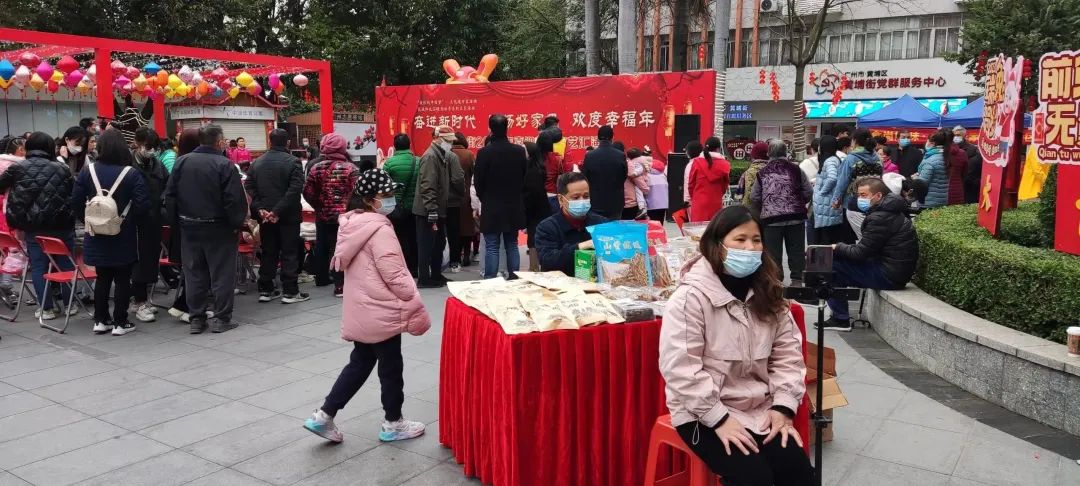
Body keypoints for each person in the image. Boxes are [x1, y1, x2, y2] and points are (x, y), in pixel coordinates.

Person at [659, 205, 811, 486]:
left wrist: (783, 407)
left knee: (798, 472)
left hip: (760, 407)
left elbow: (788, 357)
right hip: (700, 412)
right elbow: (681, 369)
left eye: (756, 240)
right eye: (740, 239)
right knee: (753, 477)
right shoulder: (690, 298)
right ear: (717, 244)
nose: (750, 248)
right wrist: (719, 419)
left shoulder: (769, 293)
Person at [303, 169, 431, 444]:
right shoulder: (380, 229)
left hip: (362, 308)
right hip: (382, 309)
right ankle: (394, 422)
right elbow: (394, 273)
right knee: (391, 368)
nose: (391, 199)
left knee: (361, 362)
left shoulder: (352, 224)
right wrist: (412, 296)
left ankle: (324, 416)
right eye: (386, 194)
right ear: (370, 199)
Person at [164, 124, 247, 334]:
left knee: (194, 274)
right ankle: (221, 318)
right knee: (222, 275)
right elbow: (234, 200)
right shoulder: (225, 165)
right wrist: (237, 224)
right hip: (219, 228)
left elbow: (170, 196)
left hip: (189, 226)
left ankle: (196, 319)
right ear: (219, 142)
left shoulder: (182, 162)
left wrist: (176, 222)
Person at [70, 129, 149, 336]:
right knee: (123, 277)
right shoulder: (131, 173)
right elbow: (143, 205)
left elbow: (75, 201)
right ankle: (120, 322)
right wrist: (127, 220)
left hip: (95, 232)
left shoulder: (88, 171)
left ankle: (100, 319)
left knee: (103, 275)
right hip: (123, 232)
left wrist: (90, 220)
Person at [821, 178, 918, 332]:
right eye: (859, 195)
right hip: (892, 269)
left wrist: (837, 247)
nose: (860, 199)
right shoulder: (888, 211)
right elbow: (867, 248)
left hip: (889, 275)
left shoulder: (881, 217)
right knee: (836, 259)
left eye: (864, 195)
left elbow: (860, 253)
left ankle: (840, 319)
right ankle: (838, 314)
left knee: (830, 266)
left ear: (878, 196)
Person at [0, 132, 77, 321]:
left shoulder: (17, 168)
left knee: (38, 267)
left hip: (33, 226)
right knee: (66, 264)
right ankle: (70, 305)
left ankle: (46, 309)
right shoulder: (63, 168)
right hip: (62, 225)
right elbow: (73, 192)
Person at [248, 129, 309, 304]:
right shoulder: (293, 162)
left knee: (269, 251)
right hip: (287, 215)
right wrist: (277, 211)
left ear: (270, 141)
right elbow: (295, 189)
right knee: (289, 252)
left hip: (265, 216)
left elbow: (250, 186)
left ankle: (266, 289)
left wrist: (261, 209)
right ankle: (290, 291)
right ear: (287, 142)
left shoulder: (257, 162)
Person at [303, 133, 361, 297]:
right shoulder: (351, 168)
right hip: (345, 217)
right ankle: (340, 284)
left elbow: (307, 192)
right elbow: (358, 193)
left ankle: (321, 278)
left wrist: (319, 206)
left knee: (322, 245)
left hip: (323, 215)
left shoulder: (315, 168)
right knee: (341, 248)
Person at [751, 140, 812, 283]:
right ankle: (797, 281)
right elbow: (809, 191)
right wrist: (798, 202)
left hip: (771, 220)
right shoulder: (796, 170)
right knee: (796, 251)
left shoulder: (762, 172)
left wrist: (767, 206)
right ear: (786, 152)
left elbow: (754, 196)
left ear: (768, 153)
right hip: (796, 217)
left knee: (773, 254)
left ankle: (777, 282)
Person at [474, 116, 527, 280]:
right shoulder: (519, 151)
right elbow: (524, 178)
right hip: (513, 204)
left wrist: (485, 198)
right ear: (507, 127)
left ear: (490, 129)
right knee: (512, 244)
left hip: (491, 204)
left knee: (492, 246)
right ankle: (514, 279)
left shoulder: (484, 153)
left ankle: (490, 280)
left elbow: (478, 182)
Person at [126, 127, 170, 323]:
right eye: (148, 146)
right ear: (137, 144)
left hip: (154, 219)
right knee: (138, 261)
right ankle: (140, 301)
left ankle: (142, 299)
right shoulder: (128, 164)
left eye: (154, 147)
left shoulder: (157, 164)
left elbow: (168, 185)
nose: (151, 151)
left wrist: (163, 203)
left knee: (150, 260)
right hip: (134, 221)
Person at [535, 172, 607, 275]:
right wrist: (580, 247)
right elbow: (547, 260)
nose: (582, 201)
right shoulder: (547, 227)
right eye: (576, 197)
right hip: (561, 282)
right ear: (561, 199)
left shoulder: (601, 223)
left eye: (586, 196)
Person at [164, 128, 201, 323]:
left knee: (191, 268)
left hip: (180, 224)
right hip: (194, 223)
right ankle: (188, 307)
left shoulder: (179, 164)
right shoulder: (193, 165)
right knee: (196, 268)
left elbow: (170, 197)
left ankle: (182, 304)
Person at [413, 126, 456, 286]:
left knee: (438, 243)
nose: (450, 144)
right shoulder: (431, 156)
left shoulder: (440, 155)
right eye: (448, 140)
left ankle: (436, 274)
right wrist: (431, 208)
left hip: (437, 208)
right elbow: (427, 185)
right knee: (426, 245)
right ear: (438, 139)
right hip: (428, 210)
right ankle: (424, 278)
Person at [831, 129, 882, 238]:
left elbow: (842, 182)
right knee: (868, 234)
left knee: (849, 236)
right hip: (874, 201)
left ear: (855, 141)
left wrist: (836, 200)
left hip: (853, 202)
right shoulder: (878, 158)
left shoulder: (851, 158)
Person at [382, 134, 419, 276]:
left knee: (398, 237)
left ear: (395, 146)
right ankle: (414, 267)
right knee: (414, 237)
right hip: (415, 206)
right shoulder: (418, 161)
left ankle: (401, 268)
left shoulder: (389, 163)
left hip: (396, 207)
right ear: (409, 145)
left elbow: (384, 186)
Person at [811, 136, 854, 245]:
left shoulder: (830, 160)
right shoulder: (833, 159)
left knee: (825, 238)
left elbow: (832, 178)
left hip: (826, 202)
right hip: (826, 204)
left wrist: (822, 192)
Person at [581, 126, 627, 219]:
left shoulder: (590, 155)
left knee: (597, 227)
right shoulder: (620, 155)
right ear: (612, 137)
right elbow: (624, 176)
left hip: (595, 201)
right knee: (614, 227)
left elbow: (585, 177)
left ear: (597, 138)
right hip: (615, 202)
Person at [523, 142, 553, 271]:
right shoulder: (538, 168)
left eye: (524, 150)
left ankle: (534, 267)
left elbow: (531, 192)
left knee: (533, 237)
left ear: (530, 153)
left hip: (534, 208)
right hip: (541, 207)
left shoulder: (531, 171)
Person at [688, 137, 731, 223]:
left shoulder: (697, 162)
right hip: (716, 202)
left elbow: (691, 185)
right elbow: (724, 186)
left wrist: (695, 197)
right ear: (718, 149)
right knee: (713, 227)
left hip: (698, 202)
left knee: (698, 229)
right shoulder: (725, 164)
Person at [452, 133, 477, 268]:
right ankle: (467, 255)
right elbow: (475, 175)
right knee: (467, 228)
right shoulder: (469, 155)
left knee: (453, 228)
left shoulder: (447, 154)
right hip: (466, 196)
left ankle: (455, 257)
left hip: (451, 196)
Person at [444, 135, 466, 273]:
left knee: (439, 232)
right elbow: (458, 178)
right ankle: (454, 261)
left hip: (438, 200)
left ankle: (438, 262)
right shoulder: (452, 157)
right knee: (453, 231)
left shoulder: (429, 155)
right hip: (453, 200)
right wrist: (461, 192)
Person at [915, 131, 948, 209]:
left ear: (932, 143)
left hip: (928, 201)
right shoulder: (947, 157)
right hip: (944, 199)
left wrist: (915, 179)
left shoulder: (929, 161)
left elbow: (922, 184)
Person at [954, 126, 983, 204]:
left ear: (965, 136)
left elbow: (975, 169)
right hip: (955, 187)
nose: (955, 137)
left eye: (958, 135)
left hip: (969, 188)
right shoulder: (950, 149)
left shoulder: (973, 150)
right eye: (954, 135)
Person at [737, 141, 769, 208]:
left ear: (753, 156)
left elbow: (742, 195)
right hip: (770, 209)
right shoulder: (773, 170)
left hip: (752, 210)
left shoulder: (749, 173)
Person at [944, 129, 968, 206]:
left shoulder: (938, 153)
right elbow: (965, 173)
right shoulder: (962, 153)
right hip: (957, 190)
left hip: (939, 194)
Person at [646, 157, 669, 222]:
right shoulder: (663, 176)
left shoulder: (647, 176)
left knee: (652, 222)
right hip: (663, 204)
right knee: (660, 221)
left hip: (652, 205)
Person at [682, 140, 704, 205]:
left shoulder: (691, 165)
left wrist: (687, 200)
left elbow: (688, 183)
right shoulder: (705, 163)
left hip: (693, 201)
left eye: (687, 151)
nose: (686, 153)